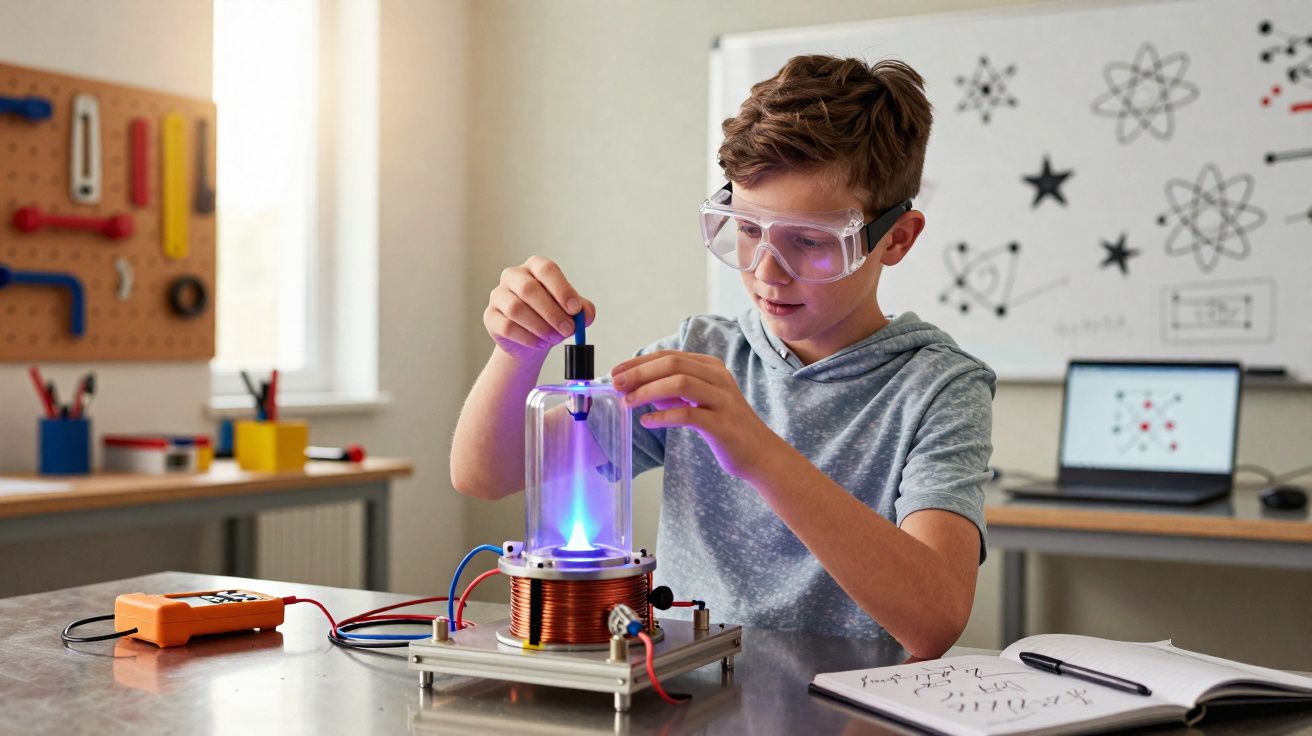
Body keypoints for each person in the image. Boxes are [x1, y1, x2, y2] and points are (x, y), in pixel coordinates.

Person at [451, 54, 994, 659]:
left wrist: (758, 452)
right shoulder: (700, 355)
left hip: (850, 712)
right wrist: (516, 353)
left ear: (895, 238)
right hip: (689, 699)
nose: (766, 273)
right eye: (748, 229)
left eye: (809, 242)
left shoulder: (940, 388)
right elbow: (485, 474)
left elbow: (936, 619)